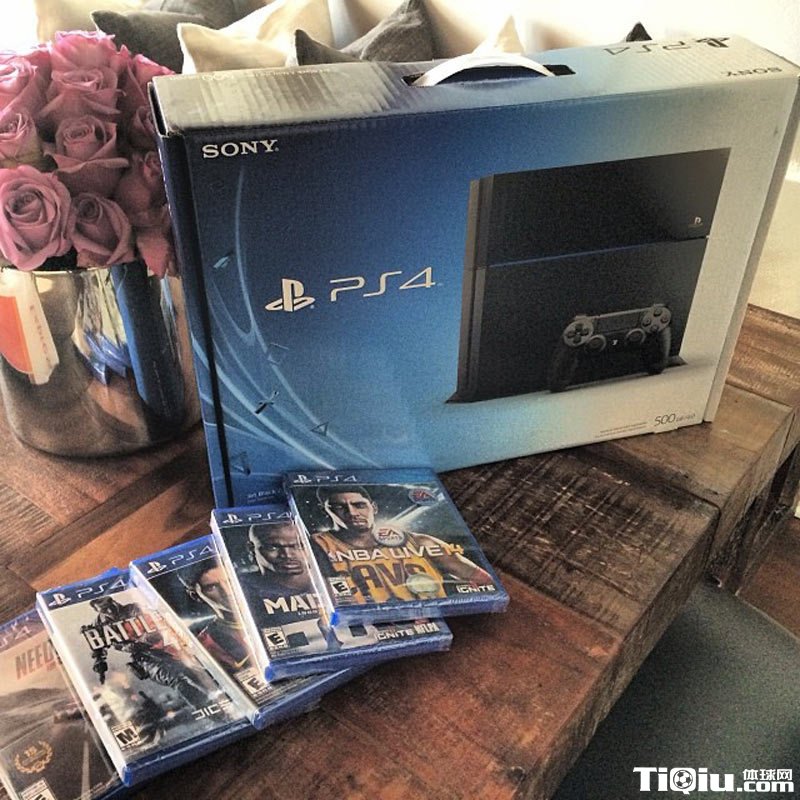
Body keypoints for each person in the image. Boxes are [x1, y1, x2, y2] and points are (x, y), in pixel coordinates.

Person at [312, 485, 496, 604]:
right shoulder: (317, 546)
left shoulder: (420, 542)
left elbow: (485, 580)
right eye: (339, 507)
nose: (352, 513)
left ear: (373, 508)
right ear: (326, 511)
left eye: (359, 505)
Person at [182, 560, 250, 676]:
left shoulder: (273, 607)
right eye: (212, 587)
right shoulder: (206, 645)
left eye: (230, 581)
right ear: (196, 596)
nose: (228, 592)